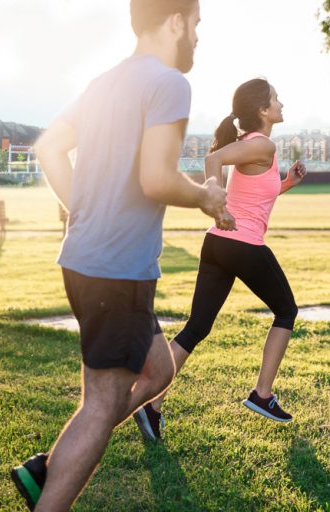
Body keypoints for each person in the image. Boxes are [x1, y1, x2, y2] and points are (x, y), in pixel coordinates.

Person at [10, 1, 228, 510]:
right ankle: (53, 486)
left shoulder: (103, 83)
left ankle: (48, 468)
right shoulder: (170, 82)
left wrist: (85, 212)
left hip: (84, 263)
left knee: (159, 371)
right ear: (176, 21)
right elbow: (157, 177)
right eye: (196, 24)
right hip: (117, 273)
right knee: (102, 402)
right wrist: (205, 196)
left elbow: (49, 149)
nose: (198, 37)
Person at [133, 78, 307, 441]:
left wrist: (287, 183)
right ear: (263, 110)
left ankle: (151, 406)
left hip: (218, 245)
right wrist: (215, 202)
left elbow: (256, 197)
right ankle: (262, 394)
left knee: (197, 327)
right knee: (286, 311)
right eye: (276, 99)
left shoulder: (254, 146)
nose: (281, 104)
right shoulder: (262, 143)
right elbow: (213, 159)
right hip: (242, 244)